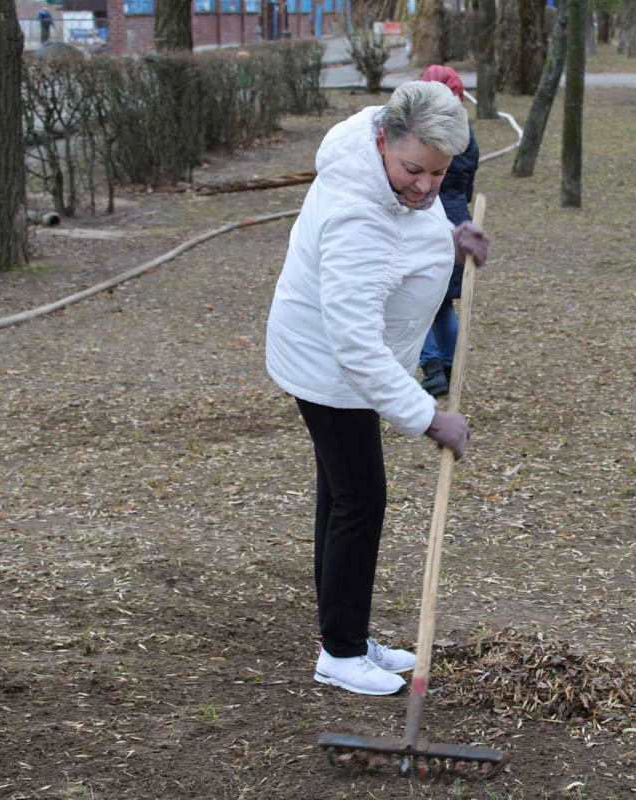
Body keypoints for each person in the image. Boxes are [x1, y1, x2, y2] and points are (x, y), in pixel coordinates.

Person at [265, 82, 489, 696]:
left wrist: (452, 236)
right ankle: (339, 653)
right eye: (413, 170)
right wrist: (427, 417)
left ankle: (346, 636)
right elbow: (355, 346)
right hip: (331, 371)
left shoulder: (390, 164)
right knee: (359, 501)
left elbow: (408, 231)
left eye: (439, 174)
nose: (424, 186)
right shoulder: (355, 213)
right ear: (384, 141)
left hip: (342, 364)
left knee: (341, 497)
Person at [416, 65, 479, 398]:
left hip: (432, 222)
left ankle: (434, 368)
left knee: (422, 303)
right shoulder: (467, 137)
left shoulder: (425, 136)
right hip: (458, 219)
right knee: (440, 305)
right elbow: (467, 186)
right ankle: (450, 367)